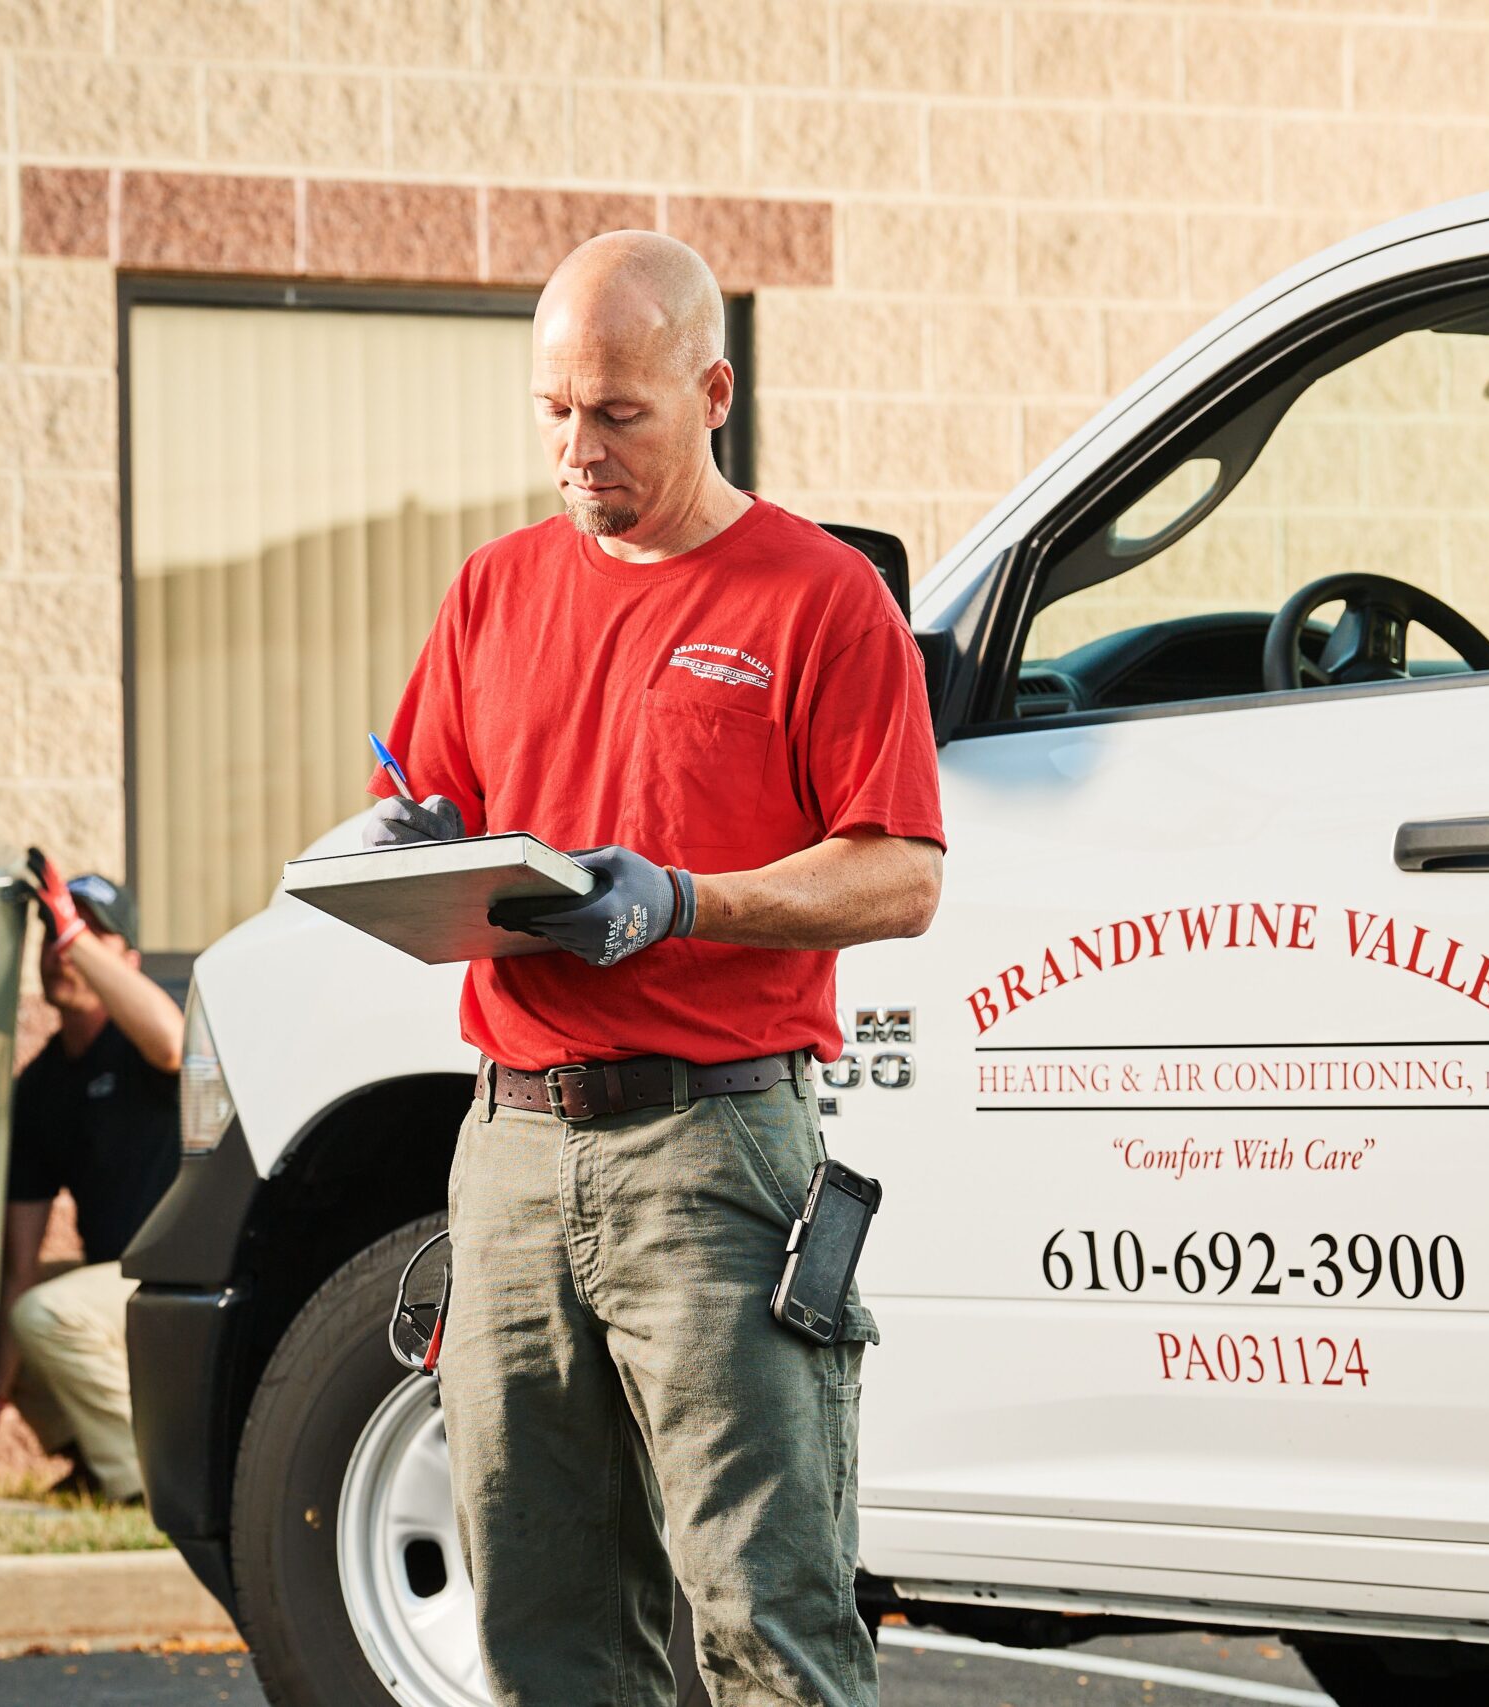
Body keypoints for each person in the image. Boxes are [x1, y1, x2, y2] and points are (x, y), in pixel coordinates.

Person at [363, 231, 946, 1707]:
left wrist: (685, 900)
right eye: (554, 410)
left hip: (714, 1152)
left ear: (711, 390)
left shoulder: (816, 599)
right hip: (508, 1145)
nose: (578, 448)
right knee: (542, 1631)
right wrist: (402, 843)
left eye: (617, 414)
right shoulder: (494, 590)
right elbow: (421, 799)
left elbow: (904, 873)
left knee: (769, 1623)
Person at [0, 854, 183, 1504]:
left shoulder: (144, 1040)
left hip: (186, 1277)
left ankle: (140, 1490)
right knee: (3, 1306)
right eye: (53, 937)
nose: (61, 951)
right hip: (115, 1285)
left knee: (48, 1313)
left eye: (87, 936)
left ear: (125, 960)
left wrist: (71, 932)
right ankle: (89, 1461)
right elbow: (18, 1265)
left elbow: (172, 1043)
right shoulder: (43, 1084)